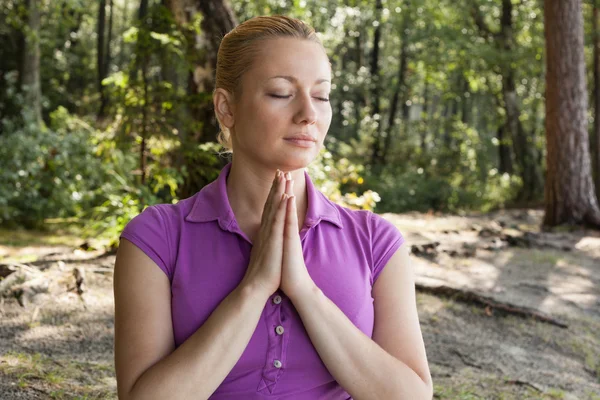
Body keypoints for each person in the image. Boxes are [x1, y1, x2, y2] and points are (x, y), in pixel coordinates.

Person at [113, 15, 432, 400]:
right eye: (282, 93)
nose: (308, 114)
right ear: (226, 108)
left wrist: (304, 291)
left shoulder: (376, 241)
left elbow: (411, 395)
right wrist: (254, 287)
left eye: (321, 95)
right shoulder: (156, 238)